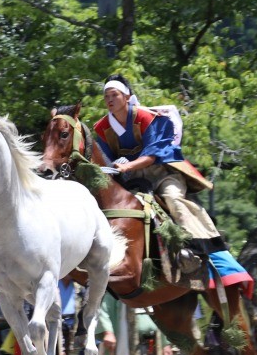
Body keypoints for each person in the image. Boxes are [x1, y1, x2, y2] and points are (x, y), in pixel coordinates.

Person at [93, 74, 223, 274]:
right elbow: (107, 158)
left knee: (173, 199)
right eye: (106, 96)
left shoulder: (148, 117)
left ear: (127, 97)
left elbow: (151, 156)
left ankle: (194, 249)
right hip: (131, 181)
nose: (109, 100)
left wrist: (127, 166)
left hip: (162, 175)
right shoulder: (102, 127)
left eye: (114, 95)